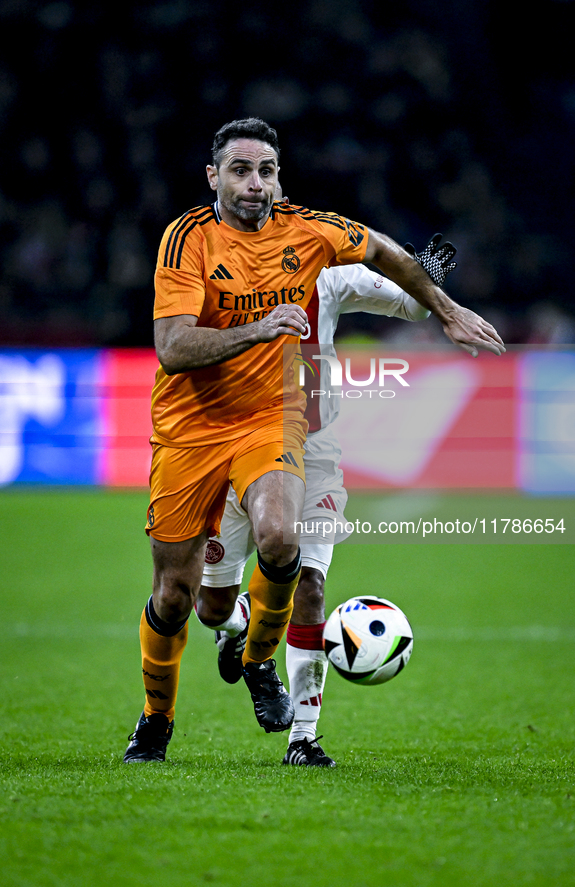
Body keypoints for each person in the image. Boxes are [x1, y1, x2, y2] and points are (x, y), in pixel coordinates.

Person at [123, 117, 504, 763]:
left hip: (281, 421)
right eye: (241, 169)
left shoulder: (318, 245)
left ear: (281, 179)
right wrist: (261, 326)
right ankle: (163, 709)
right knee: (188, 599)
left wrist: (438, 298)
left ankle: (284, 704)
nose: (255, 183)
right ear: (213, 175)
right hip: (191, 431)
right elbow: (171, 348)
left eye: (267, 170)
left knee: (286, 546)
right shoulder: (186, 240)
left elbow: (386, 263)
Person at [196, 230, 456, 768]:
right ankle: (240, 621)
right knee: (209, 607)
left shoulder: (328, 276)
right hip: (233, 448)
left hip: (311, 455)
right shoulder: (219, 275)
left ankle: (304, 740)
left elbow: (409, 303)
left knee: (310, 584)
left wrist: (426, 273)